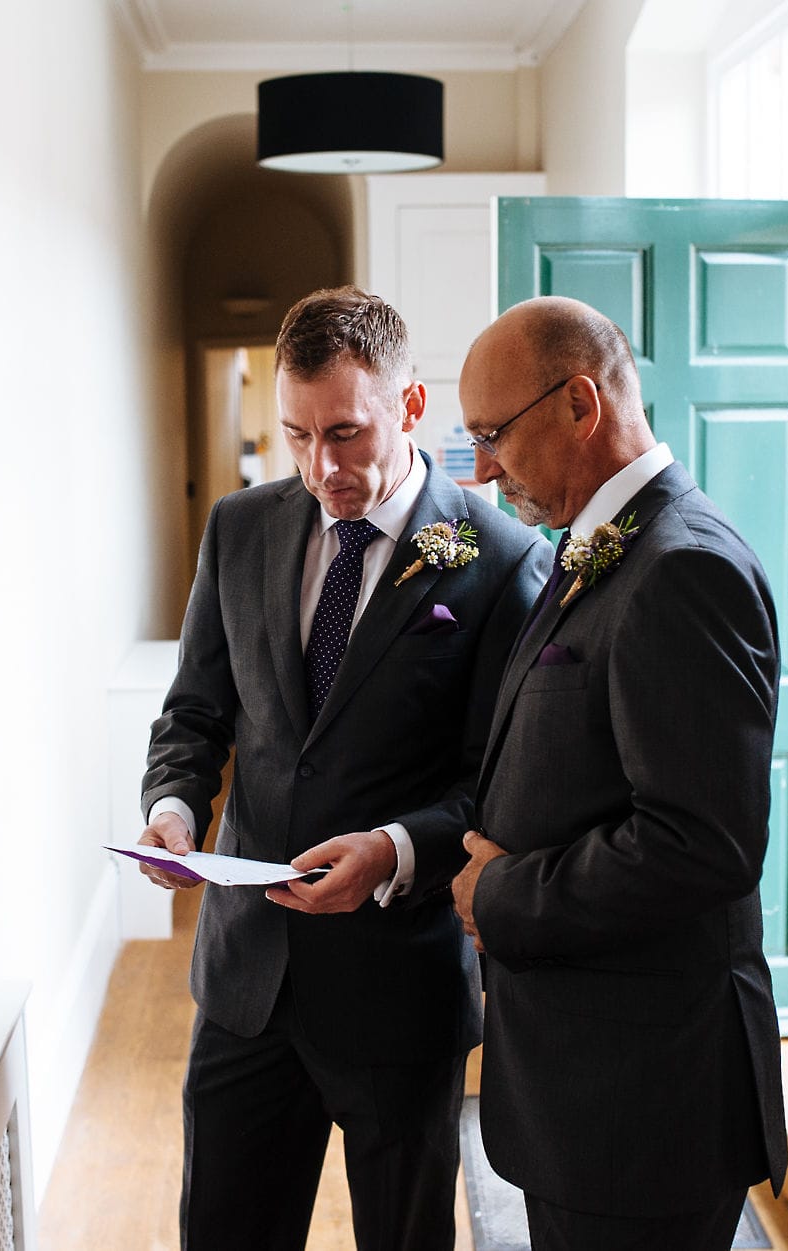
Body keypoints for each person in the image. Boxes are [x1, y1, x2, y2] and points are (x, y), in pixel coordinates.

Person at [139, 285, 551, 1251]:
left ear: (410, 408)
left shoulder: (501, 559)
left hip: (397, 995)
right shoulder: (239, 531)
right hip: (247, 985)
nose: (322, 466)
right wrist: (172, 807)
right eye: (296, 434)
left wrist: (399, 849)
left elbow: (500, 785)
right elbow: (194, 712)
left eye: (347, 433)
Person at [449, 295, 788, 1251]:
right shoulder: (601, 541)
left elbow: (701, 845)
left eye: (491, 434)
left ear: (580, 405)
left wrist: (502, 892)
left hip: (647, 1103)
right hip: (591, 1089)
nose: (481, 469)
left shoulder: (685, 569)